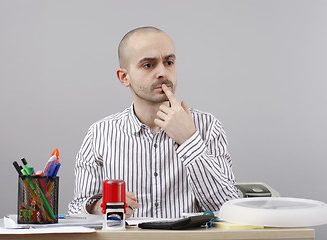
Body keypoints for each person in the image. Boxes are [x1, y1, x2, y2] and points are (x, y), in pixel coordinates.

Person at [68, 26, 238, 218]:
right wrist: (100, 207)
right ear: (125, 77)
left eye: (169, 62)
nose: (162, 73)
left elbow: (228, 209)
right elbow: (76, 209)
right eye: (148, 65)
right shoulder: (100, 134)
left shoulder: (207, 127)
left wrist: (189, 141)